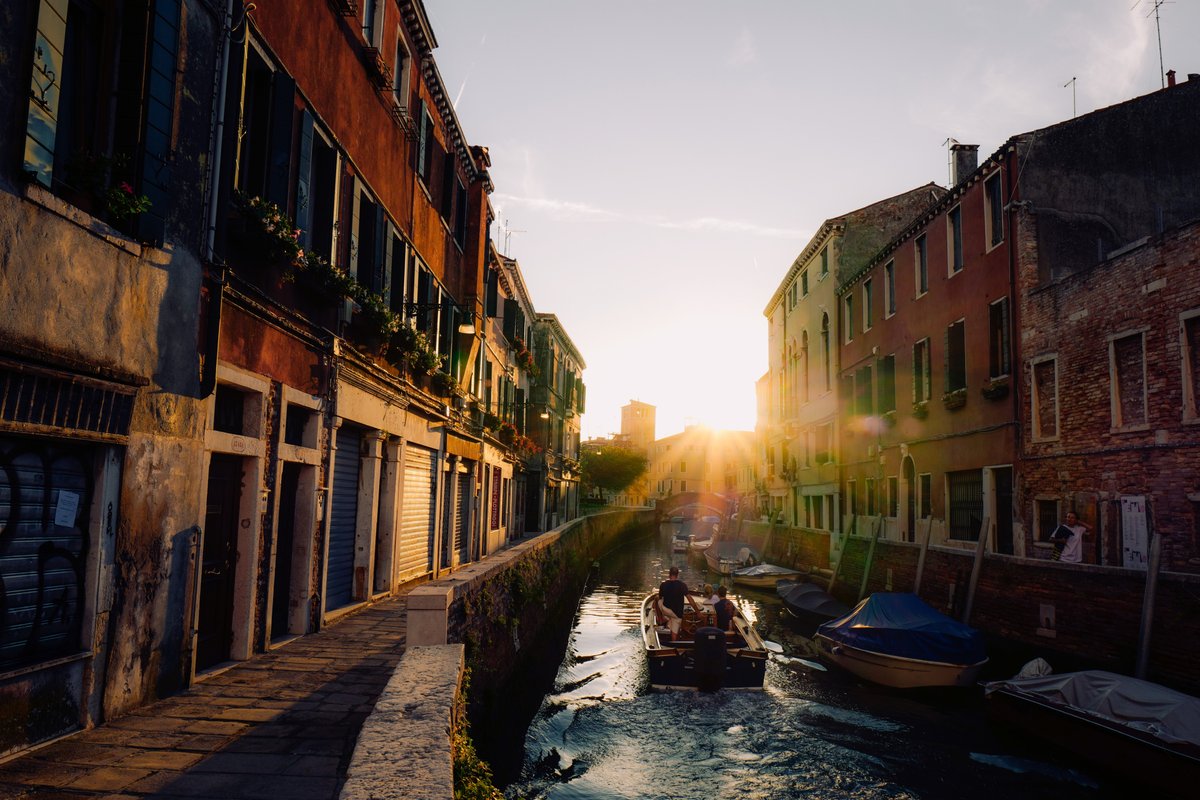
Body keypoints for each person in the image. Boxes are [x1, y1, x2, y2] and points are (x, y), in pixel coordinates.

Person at [657, 566, 689, 636]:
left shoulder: (663, 585)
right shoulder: (682, 585)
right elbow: (690, 600)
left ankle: (660, 619)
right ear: (677, 575)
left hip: (666, 611)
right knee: (674, 633)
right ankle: (674, 644)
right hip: (677, 615)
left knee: (656, 599)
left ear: (669, 575)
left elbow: (660, 598)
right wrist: (698, 612)